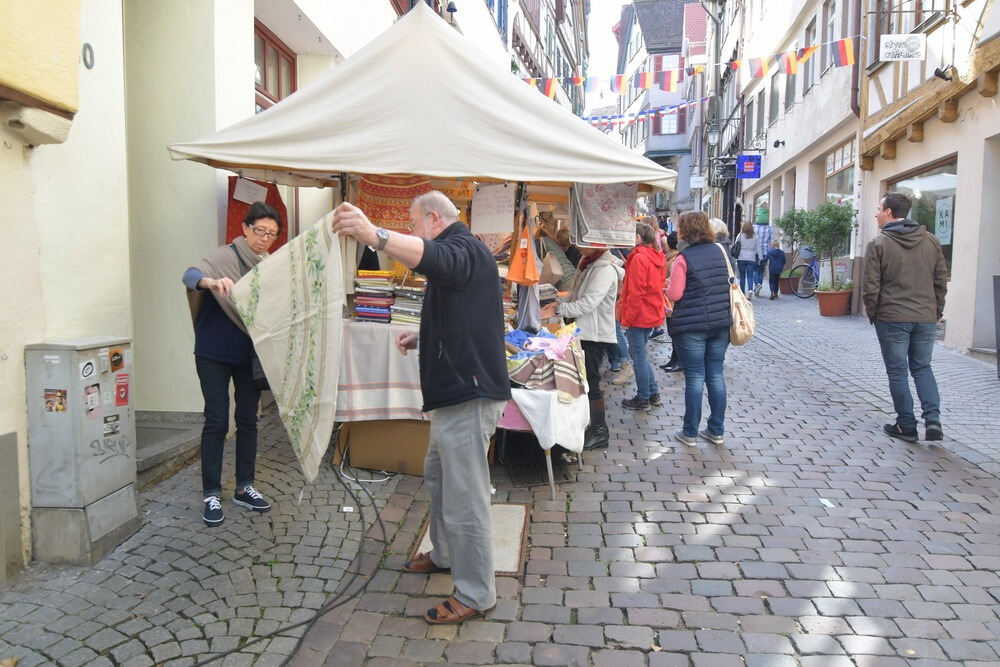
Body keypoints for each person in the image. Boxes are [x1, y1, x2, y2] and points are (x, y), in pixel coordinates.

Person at [331, 191, 510, 624]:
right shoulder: (465, 252)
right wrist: (424, 335)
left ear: (433, 219)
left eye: (413, 224)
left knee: (466, 497)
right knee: (439, 477)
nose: (412, 231)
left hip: (467, 396)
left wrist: (375, 234)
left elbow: (432, 258)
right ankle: (446, 554)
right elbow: (459, 315)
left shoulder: (462, 248)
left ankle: (475, 592)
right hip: (455, 396)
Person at [183, 201, 280, 526]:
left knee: (249, 420)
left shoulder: (267, 266)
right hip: (213, 351)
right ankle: (211, 491)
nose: (265, 238)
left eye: (272, 234)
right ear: (245, 229)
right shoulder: (224, 256)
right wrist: (210, 283)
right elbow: (190, 274)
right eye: (260, 231)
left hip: (248, 355)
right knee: (216, 421)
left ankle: (244, 486)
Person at [863, 192, 948, 443]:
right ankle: (933, 420)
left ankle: (907, 425)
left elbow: (871, 286)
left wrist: (874, 314)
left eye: (879, 208)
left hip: (892, 317)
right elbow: (940, 281)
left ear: (889, 212)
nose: (876, 213)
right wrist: (936, 312)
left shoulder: (879, 244)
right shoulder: (931, 241)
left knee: (898, 371)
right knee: (922, 367)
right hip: (924, 316)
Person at [540, 246, 624, 450]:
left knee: (592, 382)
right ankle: (589, 427)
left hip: (594, 334)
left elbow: (588, 303)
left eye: (582, 242)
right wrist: (557, 302)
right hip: (583, 331)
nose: (577, 245)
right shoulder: (587, 264)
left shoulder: (604, 269)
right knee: (586, 381)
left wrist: (559, 308)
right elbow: (576, 295)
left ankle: (599, 431)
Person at [666, 211, 733, 446]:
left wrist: (667, 288)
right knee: (715, 375)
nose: (677, 232)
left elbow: (675, 294)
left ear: (686, 231)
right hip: (720, 323)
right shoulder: (721, 252)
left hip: (692, 326)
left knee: (695, 377)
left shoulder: (684, 258)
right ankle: (716, 430)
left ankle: (690, 432)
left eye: (679, 228)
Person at [619, 222, 666, 411]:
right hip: (651, 311)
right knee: (640, 355)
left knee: (638, 356)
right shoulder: (656, 256)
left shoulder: (639, 258)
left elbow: (636, 292)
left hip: (640, 314)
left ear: (638, 238)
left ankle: (643, 397)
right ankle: (652, 393)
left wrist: (627, 319)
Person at [659, 231, 682, 372]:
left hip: (672, 301)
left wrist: (667, 283)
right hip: (669, 300)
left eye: (666, 244)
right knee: (672, 332)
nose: (665, 247)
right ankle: (674, 359)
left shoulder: (674, 260)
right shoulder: (671, 257)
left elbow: (675, 282)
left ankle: (678, 360)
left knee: (675, 333)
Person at [539, 224, 578, 291]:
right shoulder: (554, 247)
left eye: (565, 246)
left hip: (567, 279)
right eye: (561, 246)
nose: (562, 249)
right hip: (571, 278)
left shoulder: (573, 252)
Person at [733, 222, 758, 298]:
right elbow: (758, 247)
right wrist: (760, 257)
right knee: (750, 275)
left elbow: (736, 244)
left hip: (741, 257)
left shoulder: (740, 235)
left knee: (742, 276)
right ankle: (750, 289)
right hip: (751, 258)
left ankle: (743, 293)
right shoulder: (755, 236)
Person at [753, 202, 772, 295]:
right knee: (761, 270)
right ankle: (759, 284)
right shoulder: (769, 228)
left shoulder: (754, 227)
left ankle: (756, 284)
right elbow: (770, 241)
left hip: (754, 252)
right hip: (764, 253)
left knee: (753, 269)